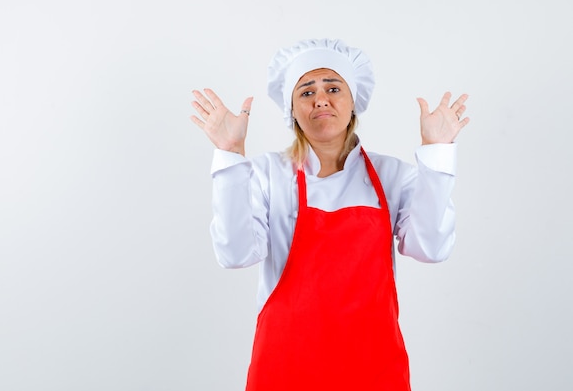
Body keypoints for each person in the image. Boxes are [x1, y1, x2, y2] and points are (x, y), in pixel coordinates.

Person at [190, 38, 469, 391]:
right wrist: (230, 157)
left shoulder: (391, 176)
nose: (320, 98)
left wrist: (437, 154)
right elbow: (234, 253)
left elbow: (430, 248)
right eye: (306, 92)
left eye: (333, 87)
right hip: (284, 368)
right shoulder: (267, 174)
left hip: (374, 369)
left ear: (354, 102)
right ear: (292, 110)